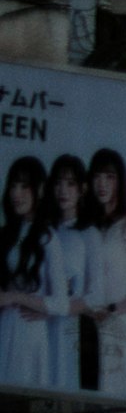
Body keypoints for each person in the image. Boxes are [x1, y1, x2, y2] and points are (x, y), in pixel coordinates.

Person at [75, 143, 126, 407]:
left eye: (109, 177)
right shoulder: (85, 227)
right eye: (97, 176)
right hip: (84, 326)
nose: (102, 184)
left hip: (119, 328)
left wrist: (114, 308)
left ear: (119, 182)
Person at [38, 154, 91, 403]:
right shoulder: (44, 230)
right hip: (36, 324)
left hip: (67, 327)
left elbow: (92, 296)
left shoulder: (88, 235)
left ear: (82, 189)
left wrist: (52, 308)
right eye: (58, 182)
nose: (63, 190)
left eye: (70, 184)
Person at [0, 155, 51, 396]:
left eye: (24, 186)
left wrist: (17, 298)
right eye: (13, 185)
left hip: (30, 336)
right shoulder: (6, 234)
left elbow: (61, 300)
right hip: (6, 328)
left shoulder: (48, 238)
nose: (16, 193)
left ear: (38, 190)